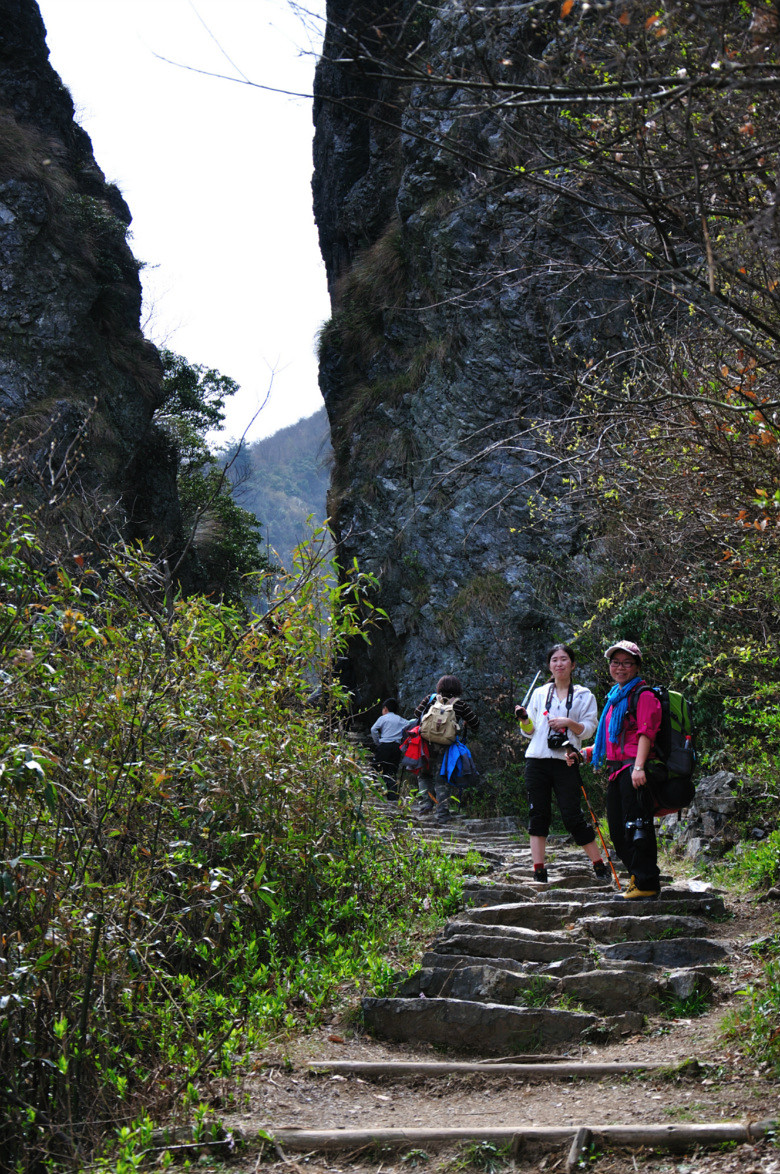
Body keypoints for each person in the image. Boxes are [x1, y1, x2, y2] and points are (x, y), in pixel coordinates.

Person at [515, 644, 606, 883]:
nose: (559, 664)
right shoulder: (539, 693)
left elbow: (588, 730)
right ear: (549, 666)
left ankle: (598, 864)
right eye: (554, 660)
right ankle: (539, 869)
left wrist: (568, 722)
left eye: (564, 659)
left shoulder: (585, 695)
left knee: (572, 815)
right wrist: (524, 720)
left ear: (573, 664)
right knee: (538, 814)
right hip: (536, 760)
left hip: (566, 760)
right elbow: (529, 732)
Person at [589, 640, 663, 900]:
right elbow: (611, 739)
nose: (620, 668)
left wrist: (639, 767)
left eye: (627, 663)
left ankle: (646, 881)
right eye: (615, 662)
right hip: (617, 770)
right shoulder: (615, 697)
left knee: (636, 826)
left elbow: (646, 733)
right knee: (620, 831)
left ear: (637, 666)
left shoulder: (643, 695)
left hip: (634, 770)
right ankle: (638, 877)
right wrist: (587, 753)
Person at [414, 675, 479, 824]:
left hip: (426, 744)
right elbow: (476, 724)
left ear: (439, 687)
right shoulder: (460, 704)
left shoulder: (430, 699)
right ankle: (442, 814)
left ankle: (425, 805)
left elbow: (416, 715)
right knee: (441, 778)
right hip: (446, 747)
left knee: (424, 775)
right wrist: (465, 722)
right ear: (458, 689)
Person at [370, 698, 411, 801]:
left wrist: (378, 742)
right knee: (392, 771)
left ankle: (377, 792)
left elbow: (373, 729)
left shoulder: (383, 718)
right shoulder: (401, 720)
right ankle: (392, 797)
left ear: (385, 708)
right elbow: (410, 726)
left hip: (384, 746)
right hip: (396, 748)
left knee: (376, 768)